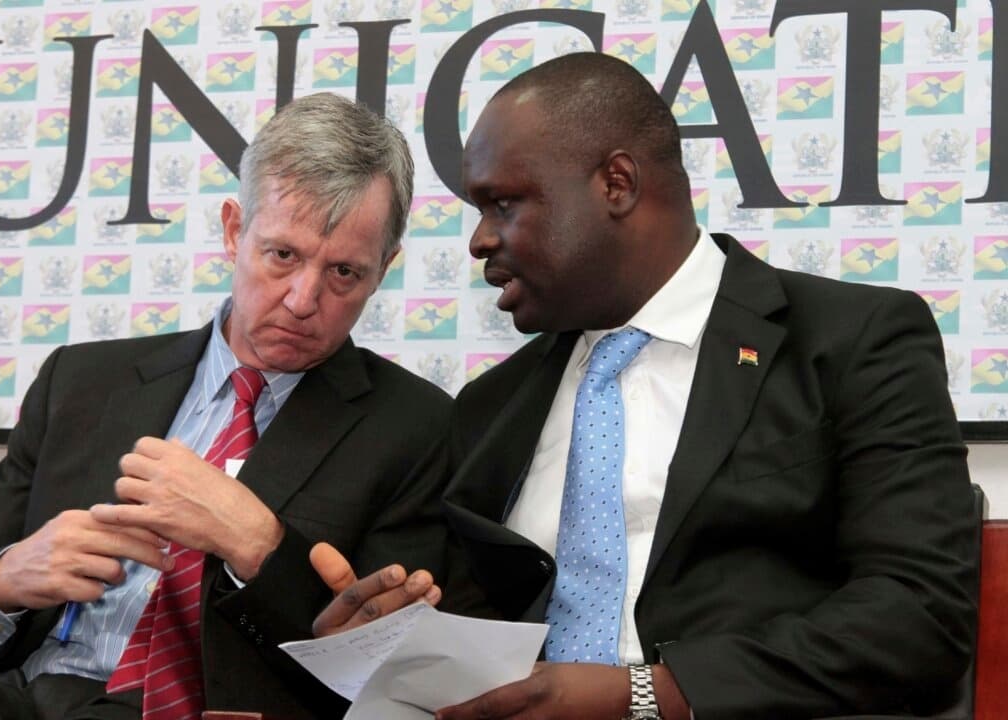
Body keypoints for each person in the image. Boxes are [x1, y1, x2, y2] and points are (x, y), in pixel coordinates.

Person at [314, 52, 978, 719]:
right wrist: (384, 646)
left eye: (503, 203)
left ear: (618, 183)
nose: (480, 240)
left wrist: (650, 696)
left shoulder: (851, 341)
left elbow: (920, 616)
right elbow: (471, 631)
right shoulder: (490, 409)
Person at [0, 92, 450, 720]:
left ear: (384, 269)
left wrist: (261, 545)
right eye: (282, 255)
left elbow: (391, 666)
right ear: (235, 231)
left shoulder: (416, 429)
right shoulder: (82, 380)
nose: (303, 299)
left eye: (344, 273)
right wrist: (4, 581)